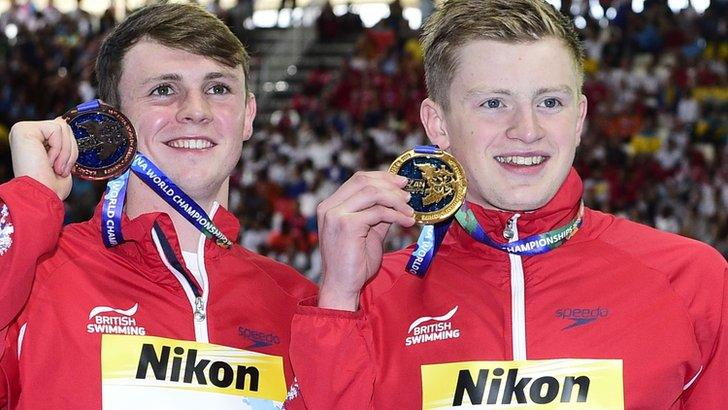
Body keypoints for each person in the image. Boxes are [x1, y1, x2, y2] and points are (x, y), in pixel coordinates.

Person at [288, 0, 728, 408]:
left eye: (550, 102)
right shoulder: (369, 297)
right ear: (437, 124)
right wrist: (340, 301)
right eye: (494, 103)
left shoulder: (691, 281)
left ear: (578, 118)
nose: (527, 129)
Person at [0, 3, 315, 408]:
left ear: (248, 115)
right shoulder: (37, 282)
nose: (196, 112)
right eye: (163, 90)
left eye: (218, 88)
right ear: (113, 119)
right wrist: (29, 198)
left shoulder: (298, 302)